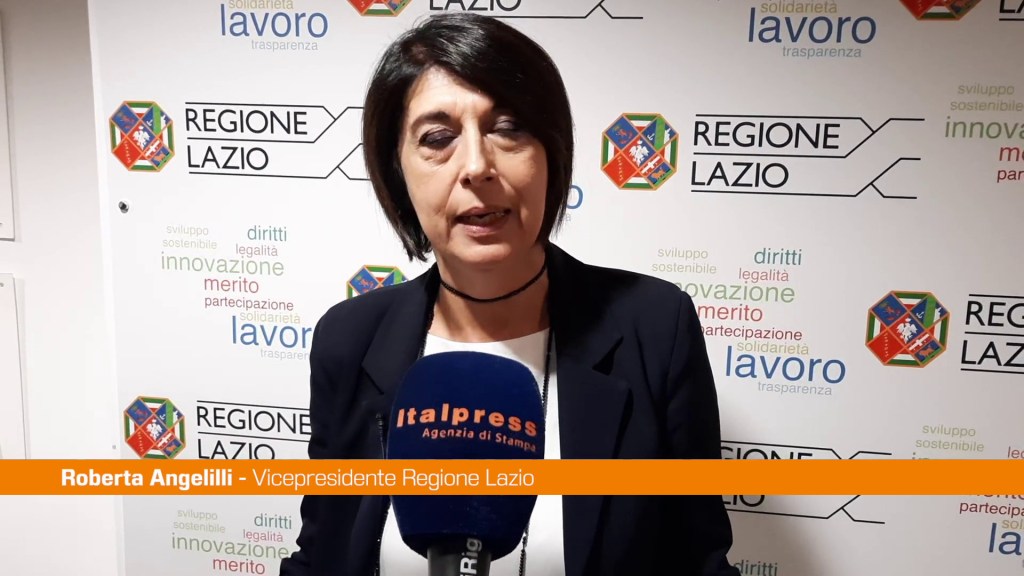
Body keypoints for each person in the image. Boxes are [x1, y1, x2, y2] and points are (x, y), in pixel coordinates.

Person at [279, 12, 740, 576]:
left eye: (508, 128)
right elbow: (320, 553)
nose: (476, 166)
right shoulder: (350, 339)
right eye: (438, 138)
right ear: (398, 171)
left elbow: (699, 562)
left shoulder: (655, 327)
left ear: (551, 152)